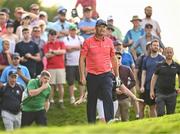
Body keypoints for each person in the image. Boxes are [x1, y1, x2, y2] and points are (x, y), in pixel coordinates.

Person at [79, 19, 121, 123]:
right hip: (92, 75)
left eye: (104, 27)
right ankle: (91, 123)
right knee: (92, 100)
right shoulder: (88, 42)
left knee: (108, 95)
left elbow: (114, 59)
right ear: (96, 28)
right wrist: (82, 76)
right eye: (100, 26)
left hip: (106, 74)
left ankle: (110, 120)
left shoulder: (109, 41)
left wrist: (117, 75)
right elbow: (81, 59)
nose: (102, 29)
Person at [150, 47, 180, 116]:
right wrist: (151, 90)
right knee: (160, 113)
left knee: (171, 115)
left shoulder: (177, 65)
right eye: (167, 52)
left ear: (173, 53)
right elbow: (154, 78)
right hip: (160, 94)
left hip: (172, 94)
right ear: (164, 53)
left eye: (170, 52)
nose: (169, 54)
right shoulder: (159, 65)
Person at [139, 39, 165, 118]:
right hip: (147, 86)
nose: (156, 47)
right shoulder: (146, 59)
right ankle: (149, 124)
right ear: (151, 46)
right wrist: (142, 85)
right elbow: (144, 73)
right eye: (154, 45)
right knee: (148, 106)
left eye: (157, 45)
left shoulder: (162, 58)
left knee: (157, 107)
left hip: (158, 87)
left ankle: (158, 123)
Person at [43, 29, 66, 109]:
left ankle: (61, 101)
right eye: (51, 35)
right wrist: (57, 52)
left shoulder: (61, 42)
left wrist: (52, 52)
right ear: (49, 36)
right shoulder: (46, 44)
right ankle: (51, 101)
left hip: (60, 67)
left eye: (54, 35)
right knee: (51, 85)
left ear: (56, 35)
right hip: (50, 67)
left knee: (60, 84)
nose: (53, 37)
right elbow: (46, 55)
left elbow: (63, 51)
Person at [63, 24, 85, 104]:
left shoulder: (80, 38)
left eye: (74, 30)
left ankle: (82, 96)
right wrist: (77, 47)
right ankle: (72, 97)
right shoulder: (66, 39)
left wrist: (72, 48)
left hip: (79, 63)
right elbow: (67, 48)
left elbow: (83, 47)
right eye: (71, 30)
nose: (73, 32)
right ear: (69, 31)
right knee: (71, 81)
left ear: (76, 31)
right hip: (70, 63)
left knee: (81, 80)